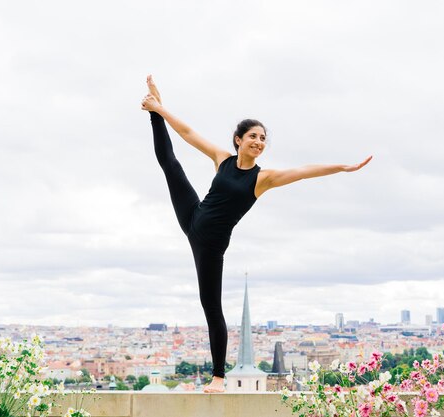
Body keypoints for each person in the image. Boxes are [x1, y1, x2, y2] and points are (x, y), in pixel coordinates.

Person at [141, 75, 372, 393]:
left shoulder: (263, 178)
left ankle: (218, 378)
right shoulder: (223, 159)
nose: (259, 142)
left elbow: (304, 171)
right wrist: (160, 109)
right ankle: (151, 109)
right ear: (238, 139)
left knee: (211, 306)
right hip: (193, 217)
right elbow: (188, 133)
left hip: (210, 243)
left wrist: (342, 168)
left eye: (263, 139)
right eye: (253, 136)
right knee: (170, 164)